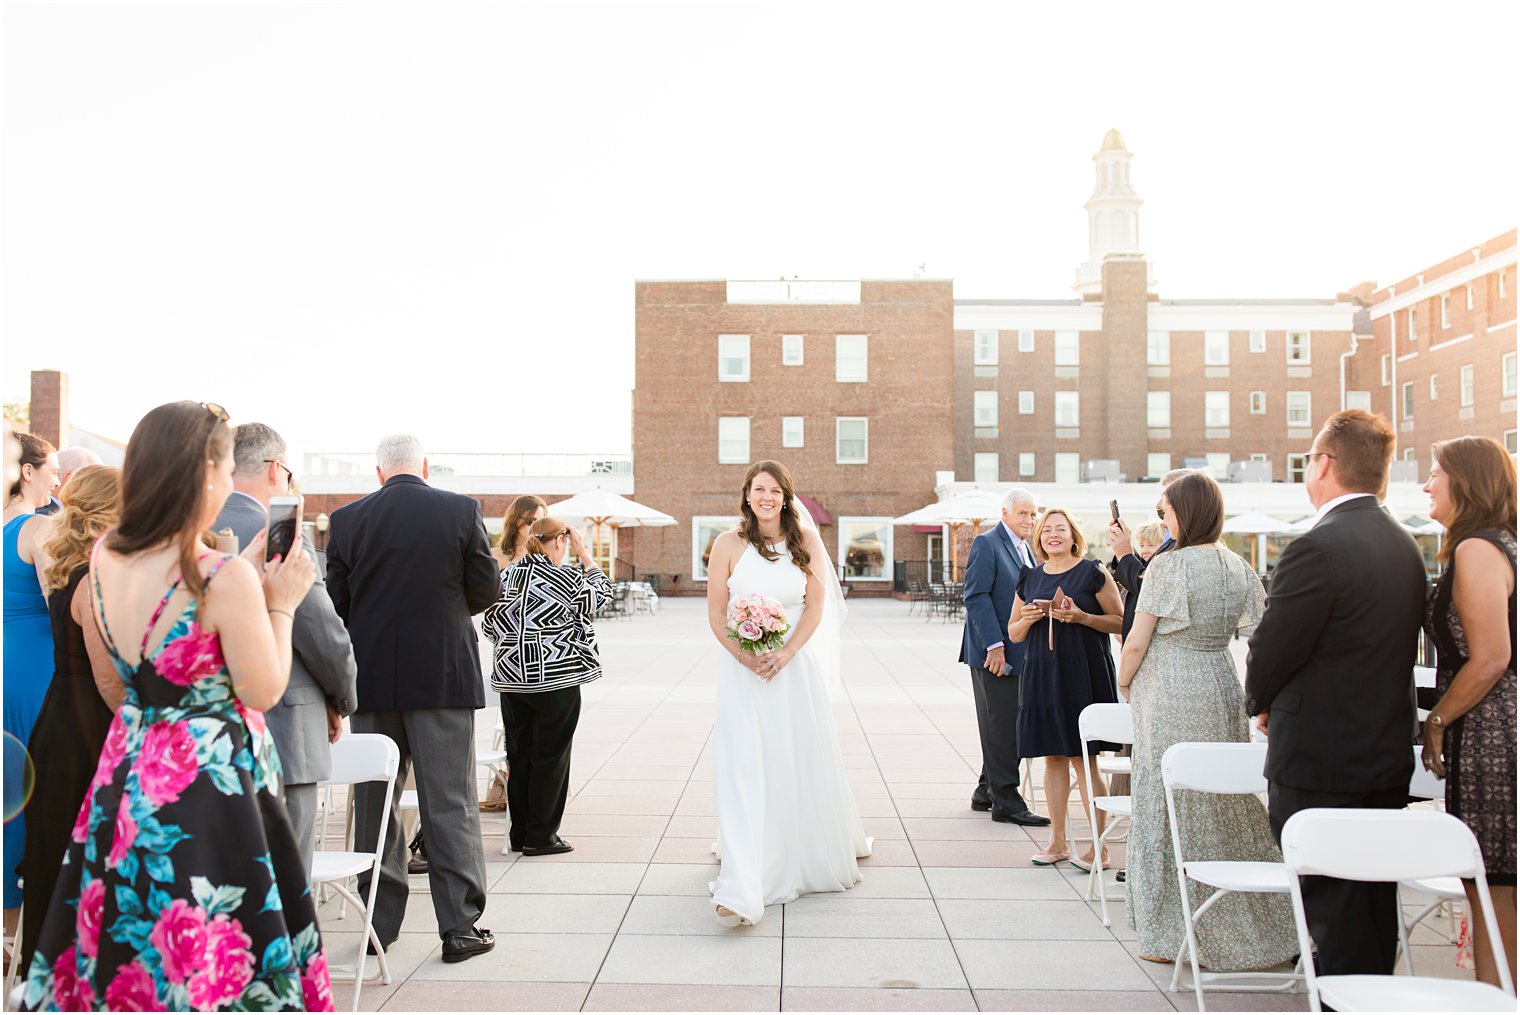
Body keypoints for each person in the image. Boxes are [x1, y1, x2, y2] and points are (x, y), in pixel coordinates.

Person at [19, 400, 330, 1011]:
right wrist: (282, 602)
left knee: (135, 945)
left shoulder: (106, 556)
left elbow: (158, 648)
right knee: (210, 951)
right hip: (210, 783)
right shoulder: (220, 577)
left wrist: (239, 577)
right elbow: (263, 690)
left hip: (131, 767)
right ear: (207, 474)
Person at [1245, 408, 1426, 978]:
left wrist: (1263, 704)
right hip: (1383, 756)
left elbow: (1271, 649)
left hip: (1320, 762)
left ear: (1323, 464)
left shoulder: (1317, 547)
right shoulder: (1405, 545)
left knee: (1329, 912)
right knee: (1371, 907)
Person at [325, 434, 501, 963]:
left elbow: (337, 602)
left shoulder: (347, 520)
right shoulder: (460, 510)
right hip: (443, 676)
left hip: (373, 678)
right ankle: (459, 928)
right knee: (450, 802)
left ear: (378, 473)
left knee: (376, 803)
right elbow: (487, 588)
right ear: (423, 467)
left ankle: (381, 921)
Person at [1117, 471, 1296, 968]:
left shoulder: (1167, 568)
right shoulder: (1237, 566)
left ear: (1185, 512)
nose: (1161, 517)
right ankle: (1260, 921)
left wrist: (1124, 680)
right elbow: (1261, 630)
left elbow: (1136, 639)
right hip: (1218, 681)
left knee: (1165, 799)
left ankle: (1170, 930)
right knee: (1223, 800)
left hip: (1170, 687)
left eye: (1165, 510)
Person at [705, 461, 871, 927]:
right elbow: (717, 613)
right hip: (742, 671)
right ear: (747, 494)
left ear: (785, 496)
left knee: (793, 758)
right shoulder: (726, 544)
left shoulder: (807, 541)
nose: (767, 497)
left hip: (794, 668)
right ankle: (743, 875)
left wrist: (787, 653)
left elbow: (816, 607)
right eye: (759, 489)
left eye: (775, 490)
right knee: (742, 764)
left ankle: (798, 852)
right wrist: (745, 656)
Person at [212, 422, 357, 874]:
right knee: (284, 877)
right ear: (277, 470)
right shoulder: (280, 533)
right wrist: (341, 698)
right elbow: (320, 631)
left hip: (208, 736)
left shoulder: (189, 532)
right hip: (283, 728)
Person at [1419, 435, 1517, 989]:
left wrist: (1436, 720)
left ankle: (1498, 999)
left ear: (1467, 482)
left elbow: (1492, 658)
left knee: (1491, 881)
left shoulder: (1478, 548)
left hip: (1491, 729)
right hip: (1487, 722)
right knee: (1491, 880)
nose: (1427, 483)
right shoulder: (1496, 541)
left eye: (1436, 472)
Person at [19, 465, 122, 965]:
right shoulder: (94, 578)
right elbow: (108, 679)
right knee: (80, 857)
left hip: (59, 718)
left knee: (55, 851)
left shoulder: (65, 569)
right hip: (89, 730)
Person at [482, 516, 610, 855]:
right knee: (551, 757)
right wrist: (587, 557)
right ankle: (541, 837)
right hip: (556, 679)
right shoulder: (567, 576)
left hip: (511, 681)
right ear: (559, 542)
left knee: (519, 756)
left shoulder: (505, 576)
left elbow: (489, 627)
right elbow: (602, 596)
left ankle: (519, 833)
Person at [1007, 507, 1123, 869]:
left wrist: (1081, 617)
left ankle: (1099, 849)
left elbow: (1120, 621)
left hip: (1082, 673)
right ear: (1039, 538)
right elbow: (1012, 632)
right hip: (1041, 674)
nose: (1053, 535)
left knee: (1084, 759)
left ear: (1074, 536)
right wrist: (1026, 619)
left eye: (1061, 529)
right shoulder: (1029, 578)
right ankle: (1057, 842)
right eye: (1046, 531)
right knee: (1052, 758)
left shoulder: (1093, 572)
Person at [959, 488, 1049, 826]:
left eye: (1033, 514)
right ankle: (1007, 802)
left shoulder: (1026, 548)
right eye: (1023, 513)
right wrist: (994, 646)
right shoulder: (988, 543)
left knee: (1006, 722)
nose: (1029, 519)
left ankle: (986, 790)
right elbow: (976, 596)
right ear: (1005, 513)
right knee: (1002, 725)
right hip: (993, 652)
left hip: (1020, 650)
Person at [3, 431, 59, 928]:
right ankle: (19, 931)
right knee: (30, 782)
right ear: (27, 471)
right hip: (34, 670)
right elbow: (56, 603)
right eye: (52, 469)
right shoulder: (35, 530)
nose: (58, 478)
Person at [1108, 468, 1191, 642]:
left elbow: (1150, 590)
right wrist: (1125, 550)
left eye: (1166, 495)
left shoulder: (1187, 544)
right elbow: (1148, 574)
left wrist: (1125, 555)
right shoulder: (1171, 536)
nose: (1159, 503)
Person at [491, 494, 547, 570]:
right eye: (531, 520)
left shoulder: (546, 557)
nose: (536, 526)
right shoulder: (495, 555)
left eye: (541, 522)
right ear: (515, 520)